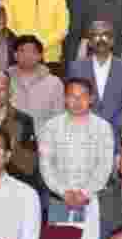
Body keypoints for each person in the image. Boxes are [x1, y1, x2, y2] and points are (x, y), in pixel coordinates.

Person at [38, 78, 115, 223]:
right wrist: (64, 192)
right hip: (59, 200)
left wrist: (85, 193)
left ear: (91, 99)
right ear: (65, 99)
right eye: (72, 96)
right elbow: (46, 165)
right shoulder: (51, 127)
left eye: (83, 96)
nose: (77, 101)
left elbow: (105, 166)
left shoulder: (103, 127)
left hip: (93, 200)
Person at [67, 20, 122, 136]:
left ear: (113, 40)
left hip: (118, 134)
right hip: (83, 132)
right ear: (89, 42)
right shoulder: (76, 68)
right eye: (95, 36)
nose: (101, 39)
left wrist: (112, 125)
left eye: (106, 35)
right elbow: (71, 102)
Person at [7, 34, 64, 124]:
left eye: (33, 51)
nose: (27, 55)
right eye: (22, 51)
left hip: (44, 136)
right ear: (15, 55)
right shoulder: (5, 80)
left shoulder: (54, 83)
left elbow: (58, 116)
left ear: (40, 56)